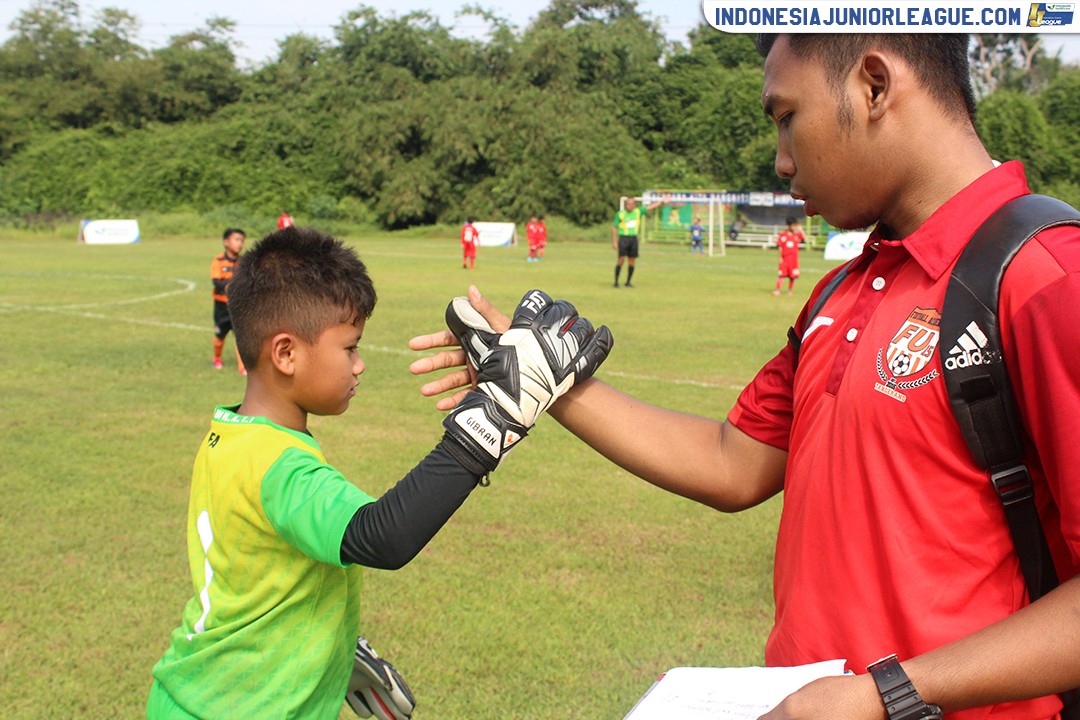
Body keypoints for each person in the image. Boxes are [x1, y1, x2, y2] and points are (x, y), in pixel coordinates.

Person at [409, 33, 1080, 720]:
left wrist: (885, 694)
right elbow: (733, 462)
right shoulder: (841, 291)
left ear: (875, 86)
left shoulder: (1049, 276)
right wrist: (544, 377)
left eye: (786, 117)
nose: (782, 159)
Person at [148, 227, 612, 719]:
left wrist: (324, 646)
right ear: (285, 354)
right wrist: (495, 416)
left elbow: (257, 571)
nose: (360, 365)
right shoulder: (280, 465)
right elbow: (383, 537)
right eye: (350, 348)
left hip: (198, 691)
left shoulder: (230, 435)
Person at [210, 227, 246, 374]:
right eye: (236, 240)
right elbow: (216, 281)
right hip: (221, 306)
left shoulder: (243, 262)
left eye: (242, 240)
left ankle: (242, 366)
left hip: (237, 305)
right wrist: (230, 287)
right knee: (220, 334)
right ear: (226, 242)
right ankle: (217, 358)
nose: (240, 243)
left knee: (241, 335)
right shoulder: (218, 261)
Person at [611, 195, 668, 288]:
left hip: (633, 239)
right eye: (628, 204)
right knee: (621, 259)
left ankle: (628, 282)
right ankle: (616, 282)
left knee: (632, 261)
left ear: (634, 205)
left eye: (631, 204)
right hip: (624, 238)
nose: (629, 206)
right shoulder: (620, 214)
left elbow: (650, 207)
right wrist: (614, 241)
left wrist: (661, 202)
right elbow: (614, 227)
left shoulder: (638, 212)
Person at [771, 216, 804, 295]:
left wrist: (801, 230)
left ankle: (790, 290)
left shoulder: (797, 235)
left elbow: (805, 239)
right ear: (788, 225)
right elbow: (780, 246)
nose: (794, 227)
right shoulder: (783, 235)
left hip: (793, 260)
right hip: (785, 259)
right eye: (793, 225)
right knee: (781, 275)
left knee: (792, 276)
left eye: (795, 225)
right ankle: (777, 290)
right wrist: (780, 257)